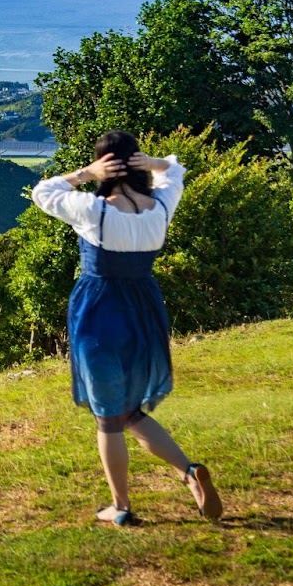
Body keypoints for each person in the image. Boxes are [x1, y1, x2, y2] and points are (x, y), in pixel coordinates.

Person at [31, 130, 222, 526]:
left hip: (99, 314)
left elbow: (43, 192)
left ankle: (121, 507)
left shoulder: (93, 210)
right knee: (129, 410)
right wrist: (151, 163)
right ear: (135, 164)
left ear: (105, 166)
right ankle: (189, 472)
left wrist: (85, 172)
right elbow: (174, 172)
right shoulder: (160, 208)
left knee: (108, 417)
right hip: (144, 312)